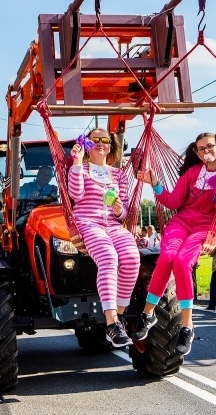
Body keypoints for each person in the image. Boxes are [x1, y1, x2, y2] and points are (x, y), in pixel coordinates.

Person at [134, 132, 216, 355]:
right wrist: (156, 184)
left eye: (209, 146)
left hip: (204, 228)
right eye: (200, 149)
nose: (205, 151)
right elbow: (174, 201)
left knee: (181, 263)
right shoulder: (191, 173)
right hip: (180, 223)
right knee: (167, 257)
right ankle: (148, 314)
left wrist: (215, 233)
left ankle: (187, 327)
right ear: (196, 152)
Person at [69, 129, 139, 348]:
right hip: (88, 223)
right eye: (95, 140)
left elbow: (125, 211)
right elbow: (76, 195)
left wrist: (119, 209)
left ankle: (116, 319)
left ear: (111, 145)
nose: (100, 143)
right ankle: (111, 322)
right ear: (87, 145)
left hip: (113, 225)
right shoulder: (81, 168)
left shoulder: (118, 174)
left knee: (131, 259)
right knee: (109, 257)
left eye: (105, 140)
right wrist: (78, 162)